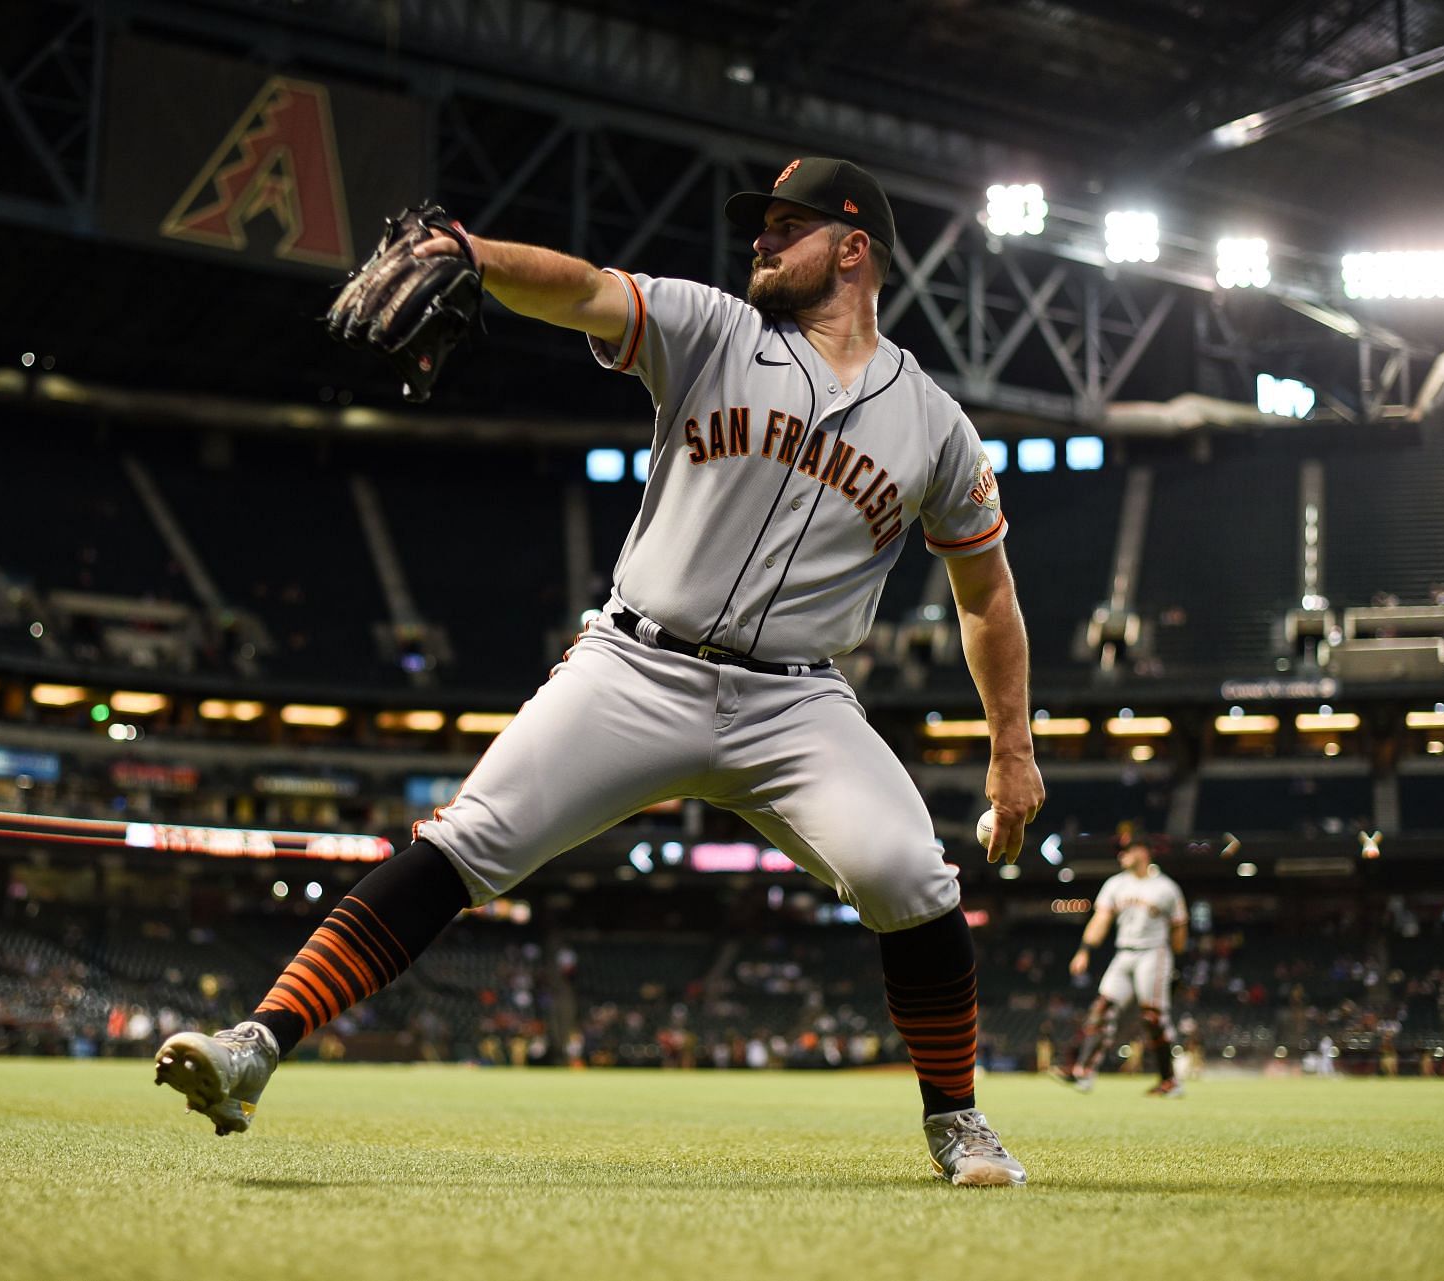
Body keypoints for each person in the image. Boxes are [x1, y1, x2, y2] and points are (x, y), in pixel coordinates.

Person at [156, 156, 1044, 1186]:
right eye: (757, 225)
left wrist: (1011, 751)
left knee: (910, 875)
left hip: (797, 701)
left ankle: (959, 1122)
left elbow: (988, 596)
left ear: (856, 249)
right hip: (635, 665)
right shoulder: (713, 329)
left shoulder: (934, 423)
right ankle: (256, 1044)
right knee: (468, 840)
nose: (758, 239)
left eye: (785, 225)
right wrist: (472, 255)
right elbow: (582, 286)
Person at [1052, 838, 1188, 1097]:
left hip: (1154, 953)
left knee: (1153, 1017)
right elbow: (1101, 919)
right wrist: (1084, 950)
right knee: (1102, 1009)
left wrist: (1175, 964)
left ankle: (1170, 1081)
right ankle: (1083, 1073)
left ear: (1144, 851)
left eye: (1127, 850)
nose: (1121, 855)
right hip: (1124, 952)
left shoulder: (1166, 887)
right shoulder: (1116, 884)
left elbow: (1179, 929)